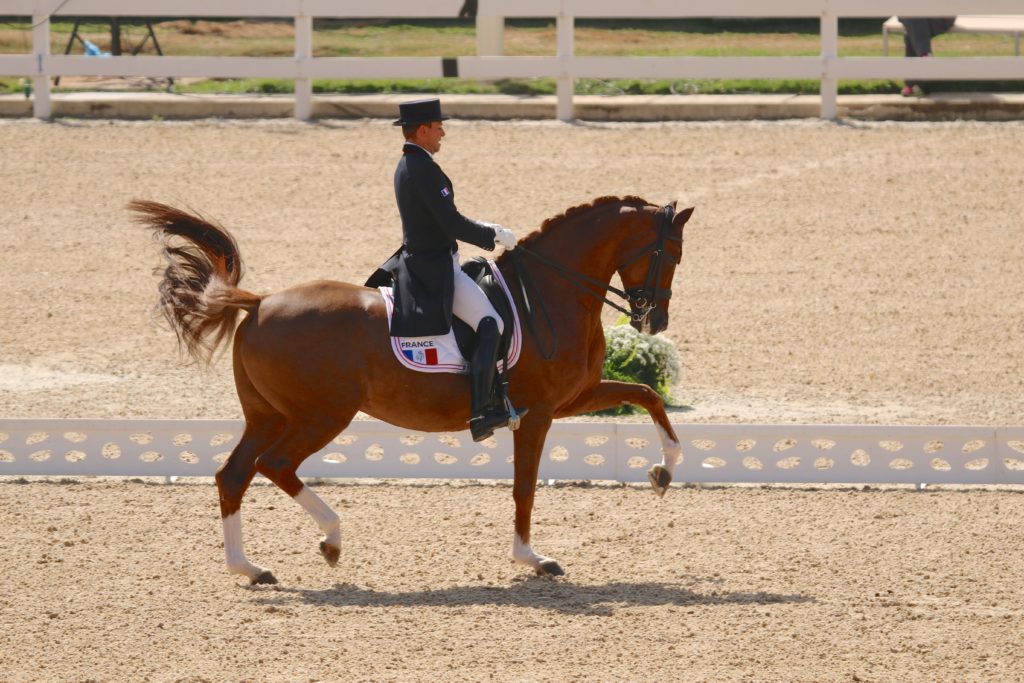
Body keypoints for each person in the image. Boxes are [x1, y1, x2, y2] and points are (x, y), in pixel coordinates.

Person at [370, 98, 521, 442]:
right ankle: (482, 412)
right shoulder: (422, 167)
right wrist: (491, 235)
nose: (443, 133)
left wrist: (485, 228)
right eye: (438, 127)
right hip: (434, 268)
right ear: (422, 130)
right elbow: (450, 221)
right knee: (491, 323)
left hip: (426, 259)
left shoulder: (409, 163)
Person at [898, 16, 956, 96]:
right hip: (912, 16)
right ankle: (925, 56)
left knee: (912, 26)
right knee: (913, 18)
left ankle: (911, 84)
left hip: (939, 18)